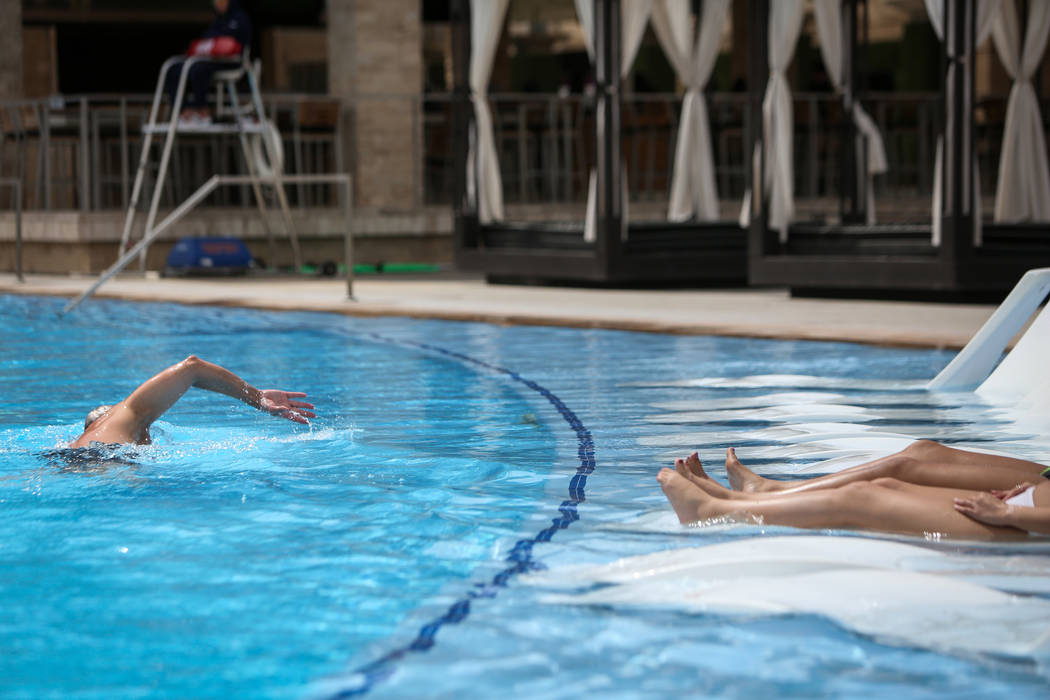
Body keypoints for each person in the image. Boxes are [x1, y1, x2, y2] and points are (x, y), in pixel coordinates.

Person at [657, 441, 1050, 540]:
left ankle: (715, 513)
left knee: (864, 499)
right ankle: (750, 497)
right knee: (885, 483)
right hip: (1033, 502)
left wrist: (1012, 514)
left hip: (1030, 526)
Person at [70, 355, 314, 449]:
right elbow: (193, 367)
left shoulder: (75, 445)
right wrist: (257, 397)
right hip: (105, 468)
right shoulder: (128, 414)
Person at [164, 0, 252, 127]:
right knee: (173, 69)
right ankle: (185, 111)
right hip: (209, 60)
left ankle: (202, 111)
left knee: (199, 69)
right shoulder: (218, 21)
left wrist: (216, 46)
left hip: (230, 62)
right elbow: (206, 41)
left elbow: (230, 46)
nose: (216, 3)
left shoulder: (240, 18)